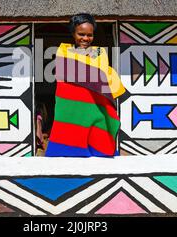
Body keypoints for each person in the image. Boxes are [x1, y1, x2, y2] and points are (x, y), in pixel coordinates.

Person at [44, 13, 126, 157]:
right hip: (72, 105)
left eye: (90, 35)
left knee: (98, 136)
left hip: (95, 103)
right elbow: (63, 73)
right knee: (71, 133)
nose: (85, 39)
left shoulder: (99, 52)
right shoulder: (64, 51)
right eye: (81, 34)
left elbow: (102, 77)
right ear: (73, 33)